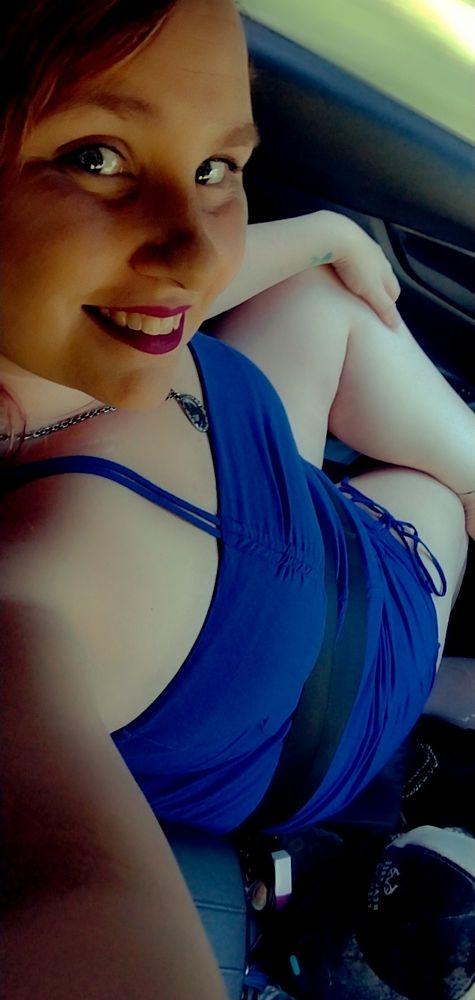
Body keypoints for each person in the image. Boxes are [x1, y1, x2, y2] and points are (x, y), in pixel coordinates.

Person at [0, 0, 474, 997]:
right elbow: (80, 909)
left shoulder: (69, 338)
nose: (195, 252)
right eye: (95, 158)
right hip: (343, 677)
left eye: (218, 167)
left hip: (280, 525)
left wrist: (325, 232)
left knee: (318, 292)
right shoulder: (31, 600)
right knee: (440, 480)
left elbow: (198, 281)